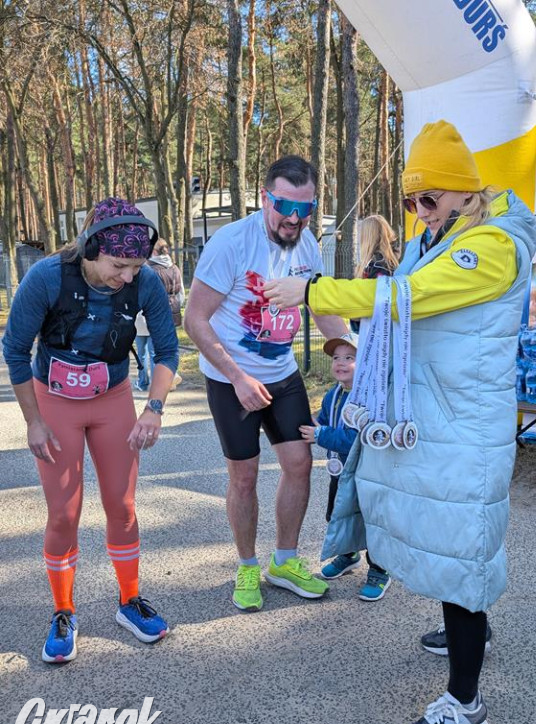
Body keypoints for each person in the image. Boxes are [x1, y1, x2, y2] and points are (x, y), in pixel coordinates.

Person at [263, 121, 536, 724]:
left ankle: (466, 704)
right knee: (451, 546)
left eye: (429, 199)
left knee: (462, 546)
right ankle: (473, 631)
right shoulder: (436, 234)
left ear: (464, 192)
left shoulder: (491, 247)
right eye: (411, 200)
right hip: (439, 418)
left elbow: (408, 298)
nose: (418, 212)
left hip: (465, 425)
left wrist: (312, 290)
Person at [2, 197, 179, 663]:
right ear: (90, 249)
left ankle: (129, 601)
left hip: (113, 399)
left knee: (122, 505)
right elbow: (16, 351)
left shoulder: (143, 281)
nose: (128, 276)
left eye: (136, 266)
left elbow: (168, 352)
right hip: (54, 402)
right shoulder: (46, 277)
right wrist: (33, 422)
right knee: (64, 513)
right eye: (119, 265)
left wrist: (154, 408)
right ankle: (63, 611)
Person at [184, 155, 348, 612]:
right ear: (264, 198)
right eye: (284, 206)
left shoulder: (309, 246)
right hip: (230, 378)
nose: (293, 219)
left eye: (305, 209)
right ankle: (247, 566)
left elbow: (321, 309)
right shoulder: (232, 243)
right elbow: (194, 320)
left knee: (299, 463)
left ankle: (285, 561)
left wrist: (354, 349)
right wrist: (236, 377)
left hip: (283, 374)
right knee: (245, 475)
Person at [301, 332, 392, 601]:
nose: (340, 363)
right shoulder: (334, 393)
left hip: (367, 473)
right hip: (340, 471)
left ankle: (379, 569)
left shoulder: (371, 397)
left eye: (349, 358)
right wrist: (313, 424)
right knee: (338, 513)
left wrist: (320, 435)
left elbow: (356, 440)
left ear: (365, 362)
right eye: (336, 358)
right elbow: (325, 421)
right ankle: (348, 554)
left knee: (370, 519)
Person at [134, 238, 184, 392]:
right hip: (167, 314)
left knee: (142, 352)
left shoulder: (146, 269)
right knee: (159, 351)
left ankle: (144, 382)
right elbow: (181, 293)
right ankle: (162, 384)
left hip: (143, 316)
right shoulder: (174, 268)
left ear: (153, 251)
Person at [351, 213, 399, 332]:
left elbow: (372, 304)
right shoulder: (392, 264)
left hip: (376, 336)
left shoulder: (376, 266)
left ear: (366, 237)